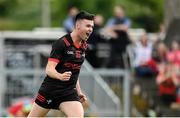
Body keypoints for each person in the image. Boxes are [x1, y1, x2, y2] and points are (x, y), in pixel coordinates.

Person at [28, 11, 94, 117]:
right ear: (78, 26)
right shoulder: (61, 43)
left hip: (68, 93)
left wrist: (79, 91)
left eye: (92, 27)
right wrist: (60, 76)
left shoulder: (84, 46)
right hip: (50, 91)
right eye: (88, 26)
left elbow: (74, 71)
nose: (90, 29)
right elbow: (49, 69)